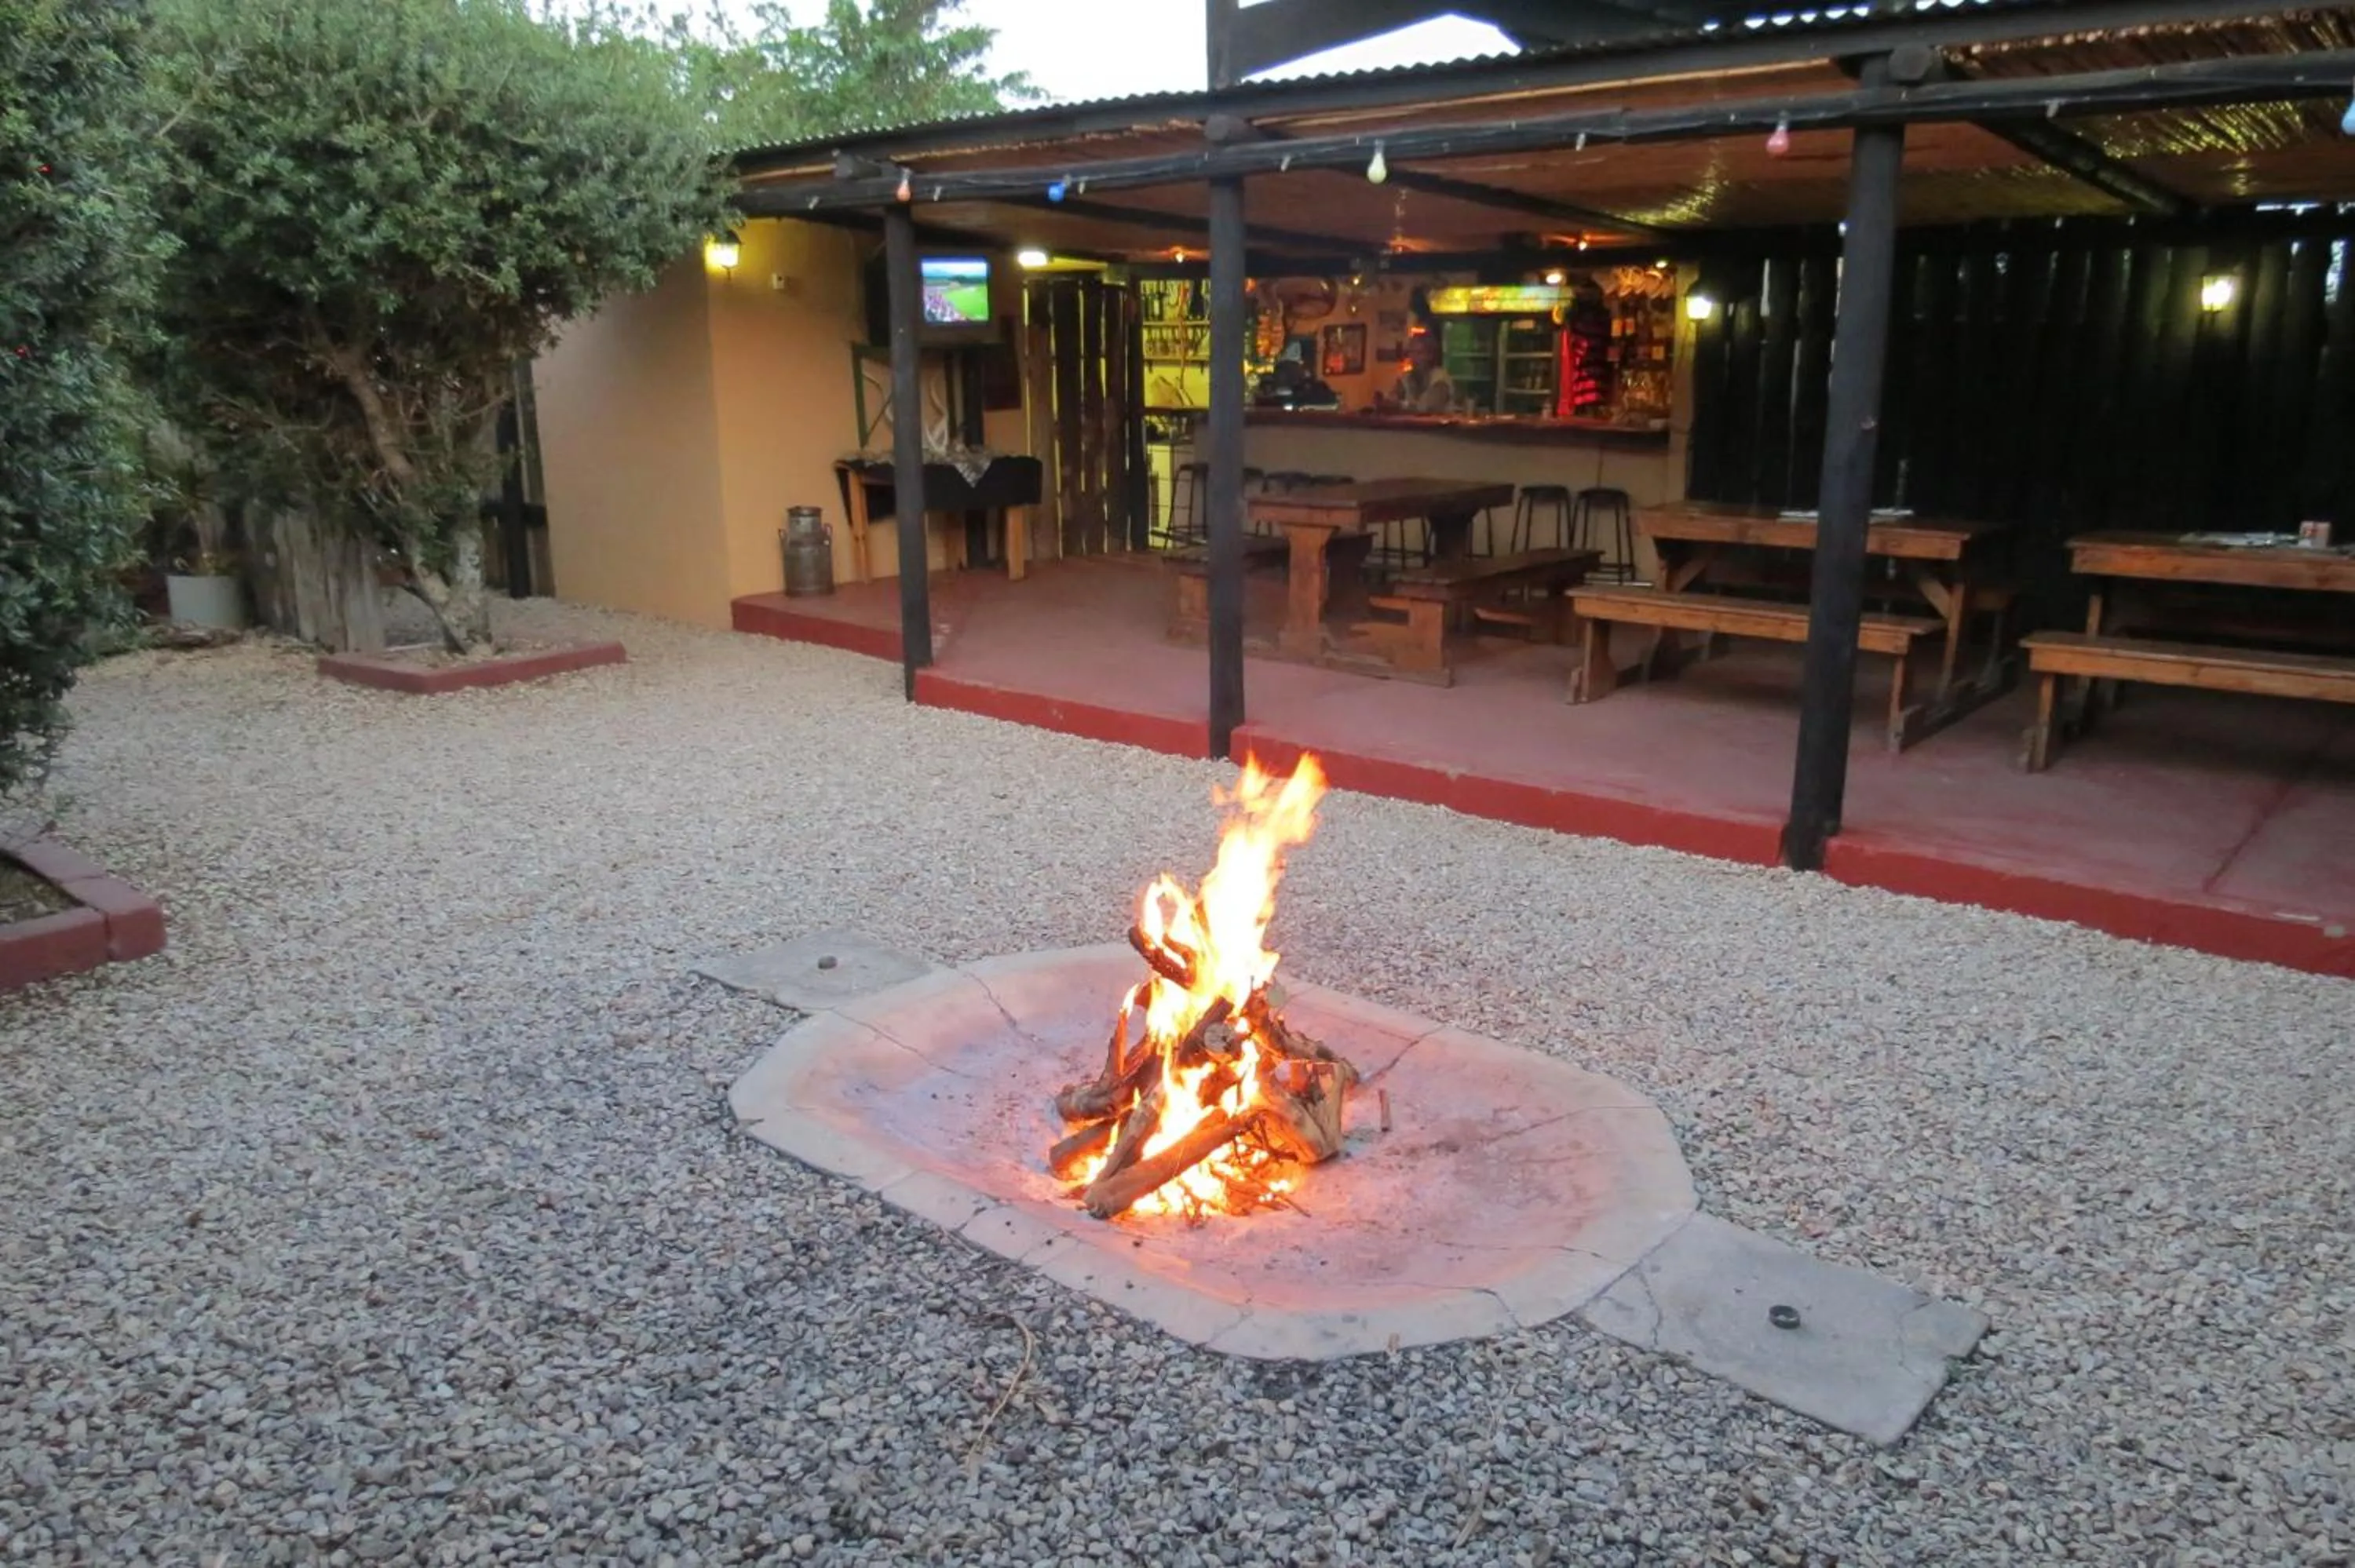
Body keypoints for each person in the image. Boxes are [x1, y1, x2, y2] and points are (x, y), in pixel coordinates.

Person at [1396, 331, 1455, 414]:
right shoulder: (1406, 377)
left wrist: (1401, 405)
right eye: (1412, 353)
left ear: (1430, 355)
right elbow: (1391, 400)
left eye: (1419, 353)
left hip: (1437, 426)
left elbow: (1429, 407)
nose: (1414, 358)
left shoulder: (1440, 378)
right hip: (1412, 426)